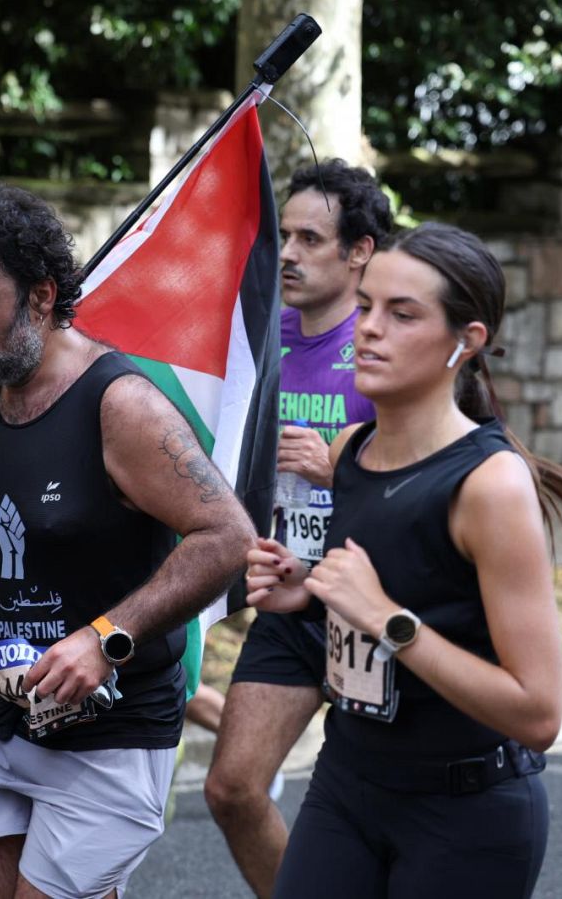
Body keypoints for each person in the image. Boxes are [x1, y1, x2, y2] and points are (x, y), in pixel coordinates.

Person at [0, 183, 256, 899]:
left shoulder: (121, 405)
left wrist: (104, 637)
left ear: (41, 297)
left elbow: (226, 538)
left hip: (105, 733)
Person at [246, 222, 562, 898]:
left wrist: (389, 620)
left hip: (463, 810)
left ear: (465, 341)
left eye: (401, 314)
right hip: (346, 780)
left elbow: (538, 714)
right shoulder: (351, 449)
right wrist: (307, 589)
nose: (367, 330)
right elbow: (381, 579)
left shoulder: (490, 485)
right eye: (364, 306)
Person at [204, 158, 389, 897]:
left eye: (311, 238)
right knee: (233, 787)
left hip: (371, 608)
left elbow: (439, 479)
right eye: (285, 236)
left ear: (358, 252)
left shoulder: (381, 347)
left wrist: (337, 469)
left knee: (374, 807)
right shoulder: (259, 340)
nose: (290, 254)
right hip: (286, 595)